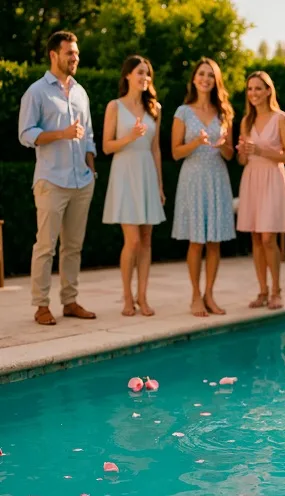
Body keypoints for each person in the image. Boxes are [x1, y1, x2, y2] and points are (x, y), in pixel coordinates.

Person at [18, 31, 98, 326]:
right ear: (54, 55)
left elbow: (88, 135)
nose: (75, 57)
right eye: (70, 53)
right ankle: (41, 305)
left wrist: (91, 169)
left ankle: (70, 301)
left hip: (81, 182)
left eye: (76, 53)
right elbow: (26, 134)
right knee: (45, 247)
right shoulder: (36, 92)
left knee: (73, 247)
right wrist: (61, 134)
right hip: (51, 180)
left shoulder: (80, 92)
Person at [101, 55, 166, 317]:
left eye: (147, 73)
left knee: (147, 240)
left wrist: (159, 185)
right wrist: (129, 137)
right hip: (125, 174)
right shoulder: (115, 106)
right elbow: (107, 147)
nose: (145, 78)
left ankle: (143, 297)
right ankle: (127, 297)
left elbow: (156, 149)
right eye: (140, 72)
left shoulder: (155, 108)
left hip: (147, 173)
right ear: (127, 75)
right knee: (133, 241)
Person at [171, 57, 236, 317]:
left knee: (214, 242)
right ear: (194, 79)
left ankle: (209, 294)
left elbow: (230, 154)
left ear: (216, 81)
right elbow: (176, 152)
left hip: (217, 177)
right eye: (201, 74)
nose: (205, 79)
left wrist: (222, 146)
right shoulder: (183, 112)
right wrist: (196, 143)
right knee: (196, 241)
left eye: (210, 75)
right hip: (193, 179)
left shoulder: (224, 113)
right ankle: (195, 296)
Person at [236, 70, 285, 311]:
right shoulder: (246, 121)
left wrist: (261, 151)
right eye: (250, 89)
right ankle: (262, 291)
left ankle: (276, 291)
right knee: (255, 237)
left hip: (272, 178)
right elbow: (242, 161)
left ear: (268, 90)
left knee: (268, 237)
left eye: (258, 88)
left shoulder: (281, 118)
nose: (253, 93)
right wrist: (243, 152)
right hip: (251, 178)